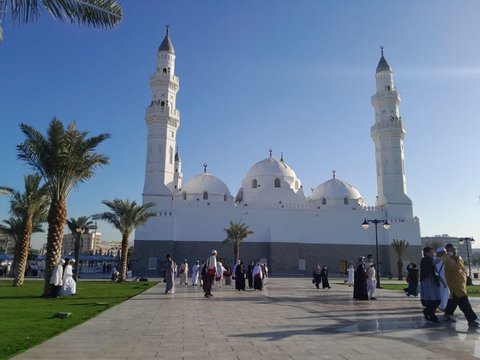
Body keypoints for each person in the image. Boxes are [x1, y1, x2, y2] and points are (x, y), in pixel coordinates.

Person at [438, 244, 478, 326]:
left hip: (460, 283)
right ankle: (471, 320)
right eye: (451, 250)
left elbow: (462, 269)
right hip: (455, 285)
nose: (454, 251)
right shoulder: (447, 259)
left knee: (453, 300)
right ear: (447, 251)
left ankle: (447, 315)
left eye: (454, 249)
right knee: (464, 302)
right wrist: (455, 258)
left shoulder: (457, 259)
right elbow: (455, 267)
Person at [420, 247, 441, 323]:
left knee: (437, 300)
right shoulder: (424, 260)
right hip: (427, 282)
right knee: (432, 300)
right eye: (431, 252)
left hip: (433, 282)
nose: (433, 253)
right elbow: (432, 264)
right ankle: (431, 315)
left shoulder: (430, 260)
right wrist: (441, 257)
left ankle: (427, 312)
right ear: (426, 253)